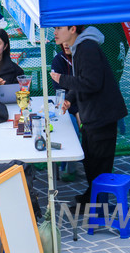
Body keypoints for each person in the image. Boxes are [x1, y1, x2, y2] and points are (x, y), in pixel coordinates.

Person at [51, 25, 128, 206]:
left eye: (59, 28)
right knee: (89, 160)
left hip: (103, 114)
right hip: (92, 114)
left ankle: (98, 205)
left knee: (99, 163)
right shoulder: (80, 48)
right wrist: (69, 98)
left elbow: (91, 83)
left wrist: (61, 79)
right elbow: (84, 78)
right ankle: (91, 196)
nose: (55, 32)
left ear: (72, 29)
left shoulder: (87, 48)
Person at [51, 42, 80, 182]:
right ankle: (70, 168)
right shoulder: (58, 60)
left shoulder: (85, 58)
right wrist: (76, 112)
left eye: (71, 41)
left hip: (88, 105)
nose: (67, 44)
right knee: (71, 126)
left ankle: (103, 164)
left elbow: (88, 86)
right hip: (67, 106)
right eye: (64, 41)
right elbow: (60, 91)